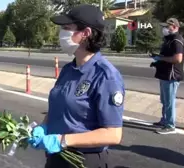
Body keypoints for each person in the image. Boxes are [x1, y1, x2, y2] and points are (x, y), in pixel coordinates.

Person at [28, 4, 124, 168]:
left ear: (86, 33)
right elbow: (57, 109)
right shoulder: (68, 70)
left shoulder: (105, 76)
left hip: (84, 160)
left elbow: (113, 134)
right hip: (57, 157)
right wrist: (44, 127)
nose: (61, 33)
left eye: (67, 28)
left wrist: (63, 140)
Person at [151, 18, 184, 134]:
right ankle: (165, 120)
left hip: (171, 76)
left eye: (168, 26)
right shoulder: (169, 40)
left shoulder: (177, 40)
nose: (165, 28)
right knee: (165, 100)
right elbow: (166, 55)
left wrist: (161, 58)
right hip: (164, 74)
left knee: (169, 101)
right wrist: (157, 59)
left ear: (175, 27)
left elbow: (178, 58)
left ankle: (170, 125)